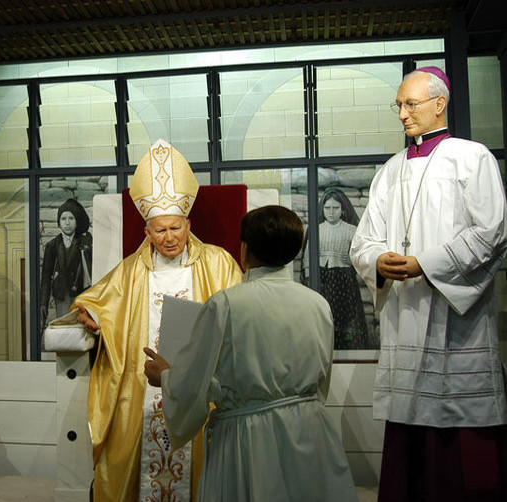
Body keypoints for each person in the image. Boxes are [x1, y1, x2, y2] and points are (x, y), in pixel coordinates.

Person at [350, 66, 507, 501]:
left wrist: (427, 264)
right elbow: (362, 241)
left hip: (456, 323)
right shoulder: (390, 170)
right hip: (405, 318)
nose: (402, 114)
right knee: (408, 441)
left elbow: (491, 233)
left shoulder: (472, 158)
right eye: (398, 105)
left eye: (410, 103)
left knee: (456, 450)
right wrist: (379, 261)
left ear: (439, 104)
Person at [143, 205, 358, 501]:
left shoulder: (226, 304)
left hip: (250, 438)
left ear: (245, 249)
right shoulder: (317, 303)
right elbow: (323, 378)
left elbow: (195, 384)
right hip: (309, 428)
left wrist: (165, 376)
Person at [69, 139, 242, 502]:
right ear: (146, 232)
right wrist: (89, 312)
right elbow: (98, 299)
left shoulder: (218, 262)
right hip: (145, 393)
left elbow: (241, 310)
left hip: (198, 389)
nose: (169, 238)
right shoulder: (133, 270)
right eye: (160, 230)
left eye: (176, 228)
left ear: (188, 223)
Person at [302, 188, 372, 350]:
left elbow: (359, 256)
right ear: (322, 209)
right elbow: (308, 255)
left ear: (343, 209)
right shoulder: (316, 229)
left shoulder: (351, 230)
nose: (331, 212)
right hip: (321, 279)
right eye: (327, 208)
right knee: (322, 314)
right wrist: (308, 275)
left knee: (345, 316)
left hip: (344, 279)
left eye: (335, 208)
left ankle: (345, 344)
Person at [40, 198, 93, 327]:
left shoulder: (84, 243)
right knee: (63, 328)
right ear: (59, 223)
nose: (67, 223)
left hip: (81, 293)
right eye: (63, 219)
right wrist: (43, 303)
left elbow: (92, 268)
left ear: (76, 222)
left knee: (80, 329)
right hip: (62, 295)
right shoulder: (52, 246)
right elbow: (46, 277)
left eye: (71, 218)